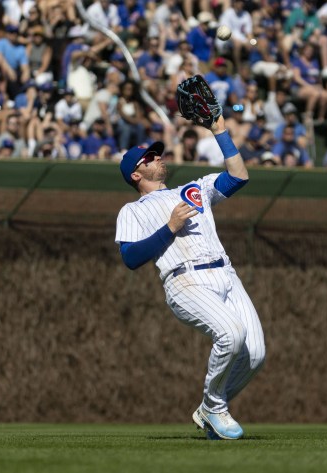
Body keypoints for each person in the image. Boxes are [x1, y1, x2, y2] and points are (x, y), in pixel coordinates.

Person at [115, 113, 265, 441]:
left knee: (255, 354)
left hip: (225, 272)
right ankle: (213, 406)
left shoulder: (194, 189)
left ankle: (210, 411)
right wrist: (168, 228)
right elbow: (130, 258)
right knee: (230, 333)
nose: (157, 157)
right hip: (184, 280)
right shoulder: (133, 210)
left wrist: (220, 131)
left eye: (157, 153)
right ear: (136, 174)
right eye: (149, 157)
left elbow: (238, 177)